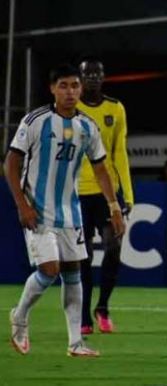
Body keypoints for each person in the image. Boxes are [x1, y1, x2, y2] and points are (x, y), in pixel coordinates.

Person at [6, 63, 125, 357]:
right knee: (49, 270)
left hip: (70, 213)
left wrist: (114, 206)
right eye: (64, 86)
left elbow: (100, 169)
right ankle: (19, 317)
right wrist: (22, 205)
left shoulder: (87, 127)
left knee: (73, 274)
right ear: (52, 89)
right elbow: (10, 164)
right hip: (38, 211)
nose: (70, 92)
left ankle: (75, 343)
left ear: (80, 89)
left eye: (74, 85)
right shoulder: (35, 121)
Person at [76, 58, 134, 335]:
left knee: (113, 245)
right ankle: (85, 313)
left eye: (97, 74)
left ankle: (103, 306)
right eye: (87, 74)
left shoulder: (115, 108)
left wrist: (128, 195)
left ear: (104, 77)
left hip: (108, 192)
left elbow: (119, 153)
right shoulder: (69, 109)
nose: (92, 79)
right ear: (80, 77)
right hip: (76, 193)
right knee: (82, 255)